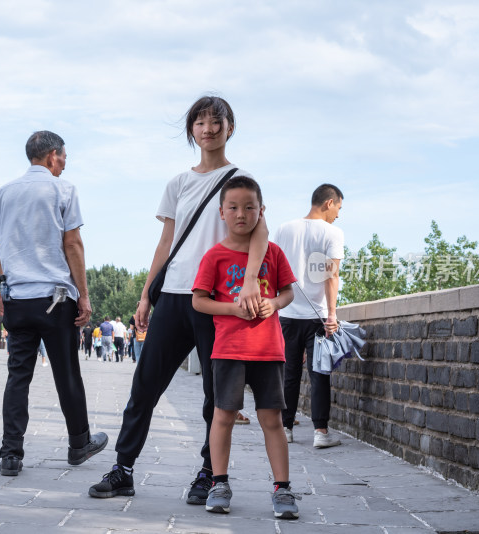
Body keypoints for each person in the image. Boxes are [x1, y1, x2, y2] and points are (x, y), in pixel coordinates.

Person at [89, 96, 268, 503]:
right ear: (192, 130)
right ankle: (123, 469)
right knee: (145, 386)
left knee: (216, 396)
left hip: (218, 300)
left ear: (229, 128)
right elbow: (166, 242)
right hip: (172, 295)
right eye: (200, 123)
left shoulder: (240, 178)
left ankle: (209, 474)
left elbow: (260, 231)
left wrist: (252, 281)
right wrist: (145, 296)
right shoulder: (179, 183)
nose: (208, 129)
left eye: (215, 122)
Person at [0, 130, 108, 476]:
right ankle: (78, 443)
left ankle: (11, 454)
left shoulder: (4, 192)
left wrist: (1, 293)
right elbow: (73, 244)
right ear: (52, 155)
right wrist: (83, 293)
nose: (65, 164)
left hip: (18, 299)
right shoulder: (63, 190)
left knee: (17, 376)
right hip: (55, 300)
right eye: (64, 157)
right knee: (66, 372)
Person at [192, 175, 300, 519]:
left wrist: (275, 304)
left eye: (250, 207)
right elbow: (199, 302)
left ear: (261, 211)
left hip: (269, 350)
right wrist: (232, 308)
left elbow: (288, 292)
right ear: (221, 212)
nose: (242, 213)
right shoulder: (215, 256)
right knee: (222, 416)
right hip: (228, 350)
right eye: (234, 207)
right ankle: (219, 483)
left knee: (272, 419)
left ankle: (283, 489)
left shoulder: (274, 252)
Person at [274, 184, 345, 448]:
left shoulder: (283, 229)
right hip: (317, 316)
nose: (338, 214)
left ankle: (286, 429)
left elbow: (272, 270)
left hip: (287, 312)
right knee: (320, 374)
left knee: (289, 373)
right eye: (338, 207)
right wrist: (333, 315)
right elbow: (331, 275)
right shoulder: (333, 233)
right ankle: (320, 432)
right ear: (329, 203)